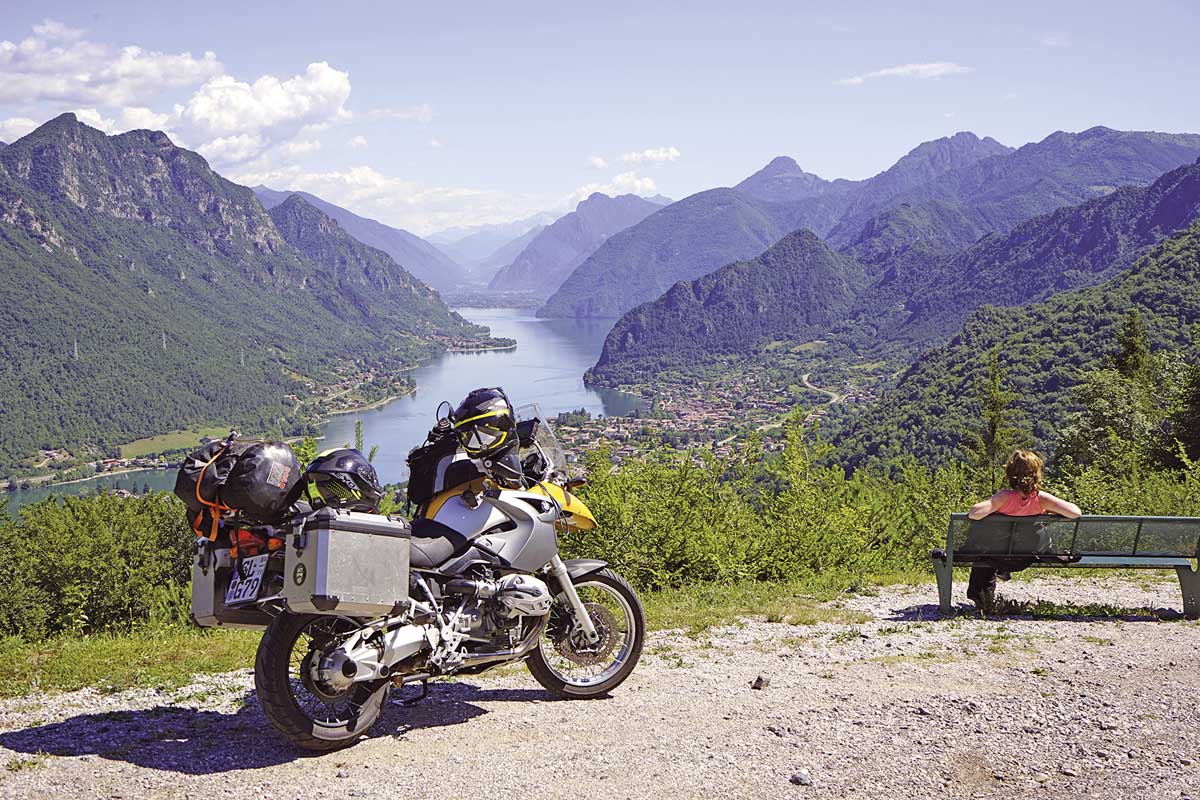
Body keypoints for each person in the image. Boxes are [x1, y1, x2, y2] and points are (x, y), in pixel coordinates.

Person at [964, 450, 1081, 609]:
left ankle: (982, 597)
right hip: (1026, 556)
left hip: (998, 557)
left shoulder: (1004, 497)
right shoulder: (1042, 499)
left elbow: (974, 514)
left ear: (1010, 474)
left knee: (984, 554)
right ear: (1036, 474)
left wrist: (996, 507)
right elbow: (1075, 512)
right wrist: (1050, 509)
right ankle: (987, 594)